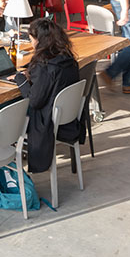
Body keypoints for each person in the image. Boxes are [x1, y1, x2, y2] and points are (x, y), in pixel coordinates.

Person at [15, 18, 82, 174]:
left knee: (2, 109)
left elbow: (34, 101)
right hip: (67, 118)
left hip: (48, 121)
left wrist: (20, 79)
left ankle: (3, 151)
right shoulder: (68, 59)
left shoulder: (44, 66)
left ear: (39, 40)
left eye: (31, 39)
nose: (31, 44)